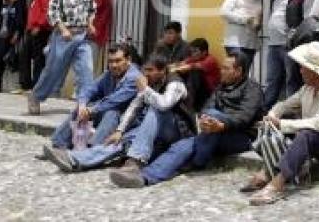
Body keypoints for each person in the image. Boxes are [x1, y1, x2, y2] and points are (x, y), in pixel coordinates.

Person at [111, 52, 263, 187]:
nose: (221, 71)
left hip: (239, 137)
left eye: (225, 68)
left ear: (238, 71)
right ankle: (145, 177)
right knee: (182, 146)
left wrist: (221, 125)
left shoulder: (252, 89)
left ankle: (197, 161)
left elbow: (244, 117)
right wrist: (206, 120)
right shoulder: (220, 88)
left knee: (212, 115)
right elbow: (205, 108)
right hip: (212, 133)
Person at [244, 42, 319, 206]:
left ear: (316, 72)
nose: (300, 70)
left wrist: (282, 123)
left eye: (304, 67)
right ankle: (267, 171)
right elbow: (284, 105)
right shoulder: (307, 89)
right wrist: (272, 116)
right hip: (316, 142)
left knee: (305, 134)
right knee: (275, 127)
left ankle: (278, 184)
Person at [45, 54, 195, 174]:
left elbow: (163, 105)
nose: (146, 74)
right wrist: (119, 131)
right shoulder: (148, 83)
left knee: (154, 109)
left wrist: (145, 90)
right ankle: (74, 159)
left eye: (150, 70)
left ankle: (136, 159)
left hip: (177, 131)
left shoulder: (175, 84)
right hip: (151, 131)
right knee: (118, 143)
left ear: (162, 71)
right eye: (145, 70)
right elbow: (134, 107)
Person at [28, 0, 97, 115]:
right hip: (63, 37)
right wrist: (63, 29)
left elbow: (92, 9)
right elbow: (52, 12)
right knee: (53, 71)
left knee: (86, 70)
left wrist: (91, 24)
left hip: (82, 36)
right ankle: (35, 96)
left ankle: (83, 105)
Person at [46, 43, 141, 151]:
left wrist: (90, 110)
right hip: (107, 115)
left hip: (128, 121)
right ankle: (59, 145)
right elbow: (90, 89)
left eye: (118, 61)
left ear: (128, 59)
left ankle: (88, 151)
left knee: (111, 111)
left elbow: (114, 101)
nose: (114, 65)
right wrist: (82, 105)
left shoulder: (134, 78)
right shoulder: (109, 74)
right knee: (82, 108)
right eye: (111, 61)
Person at [263, 0, 315, 110]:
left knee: (292, 80)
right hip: (273, 43)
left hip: (290, 45)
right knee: (272, 80)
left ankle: (292, 113)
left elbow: (309, 21)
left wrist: (294, 36)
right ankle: (267, 113)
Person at [221, 0, 267, 65]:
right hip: (234, 42)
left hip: (250, 43)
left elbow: (257, 22)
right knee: (235, 69)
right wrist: (245, 19)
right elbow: (224, 12)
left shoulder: (258, 2)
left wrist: (258, 24)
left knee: (245, 73)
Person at [170, 37, 220, 111]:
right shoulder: (195, 58)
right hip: (199, 91)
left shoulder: (211, 60)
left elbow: (190, 67)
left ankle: (190, 106)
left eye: (195, 51)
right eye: (192, 51)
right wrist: (165, 68)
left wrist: (175, 69)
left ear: (204, 52)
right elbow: (180, 64)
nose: (193, 54)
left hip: (210, 92)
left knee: (194, 72)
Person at [22, 0, 53, 91]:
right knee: (25, 55)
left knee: (38, 59)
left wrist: (39, 26)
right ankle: (26, 85)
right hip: (31, 29)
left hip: (39, 30)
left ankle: (37, 85)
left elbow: (47, 11)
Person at [0, 0, 28, 93]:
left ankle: (16, 85)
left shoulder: (20, 2)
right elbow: (0, 19)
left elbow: (21, 20)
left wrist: (17, 34)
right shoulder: (4, 4)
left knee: (12, 59)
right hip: (1, 36)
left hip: (12, 36)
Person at [87, 0, 113, 73]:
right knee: (83, 67)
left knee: (90, 68)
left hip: (95, 36)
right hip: (88, 36)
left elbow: (93, 10)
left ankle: (87, 89)